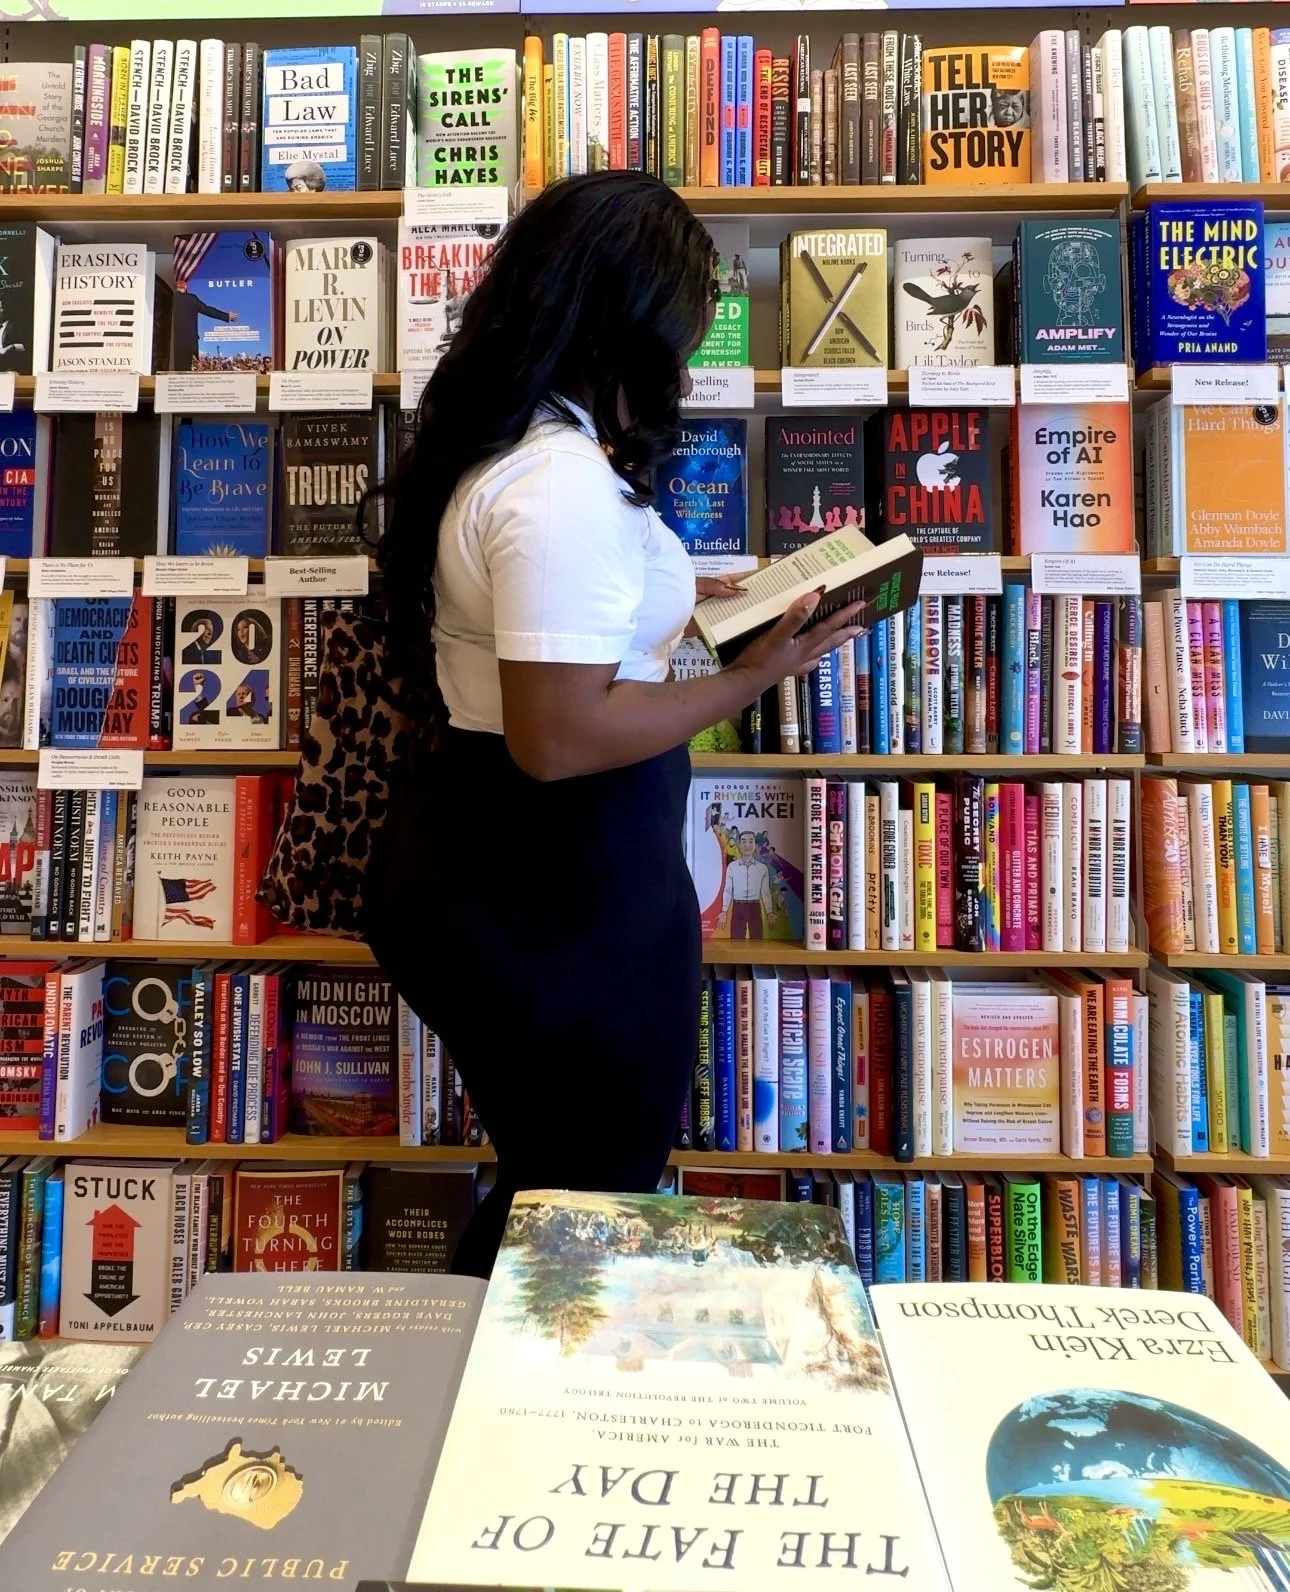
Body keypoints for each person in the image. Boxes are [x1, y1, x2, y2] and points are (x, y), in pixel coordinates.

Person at [366, 172, 862, 1278]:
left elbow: (575, 642)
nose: (683, 368)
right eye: (677, 337)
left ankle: (479, 1413)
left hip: (532, 875)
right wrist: (757, 674)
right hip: (554, 887)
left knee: (564, 1190)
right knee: (585, 1204)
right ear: (620, 327)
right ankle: (487, 1421)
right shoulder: (559, 486)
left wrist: (718, 603)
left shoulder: (535, 451)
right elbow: (559, 734)